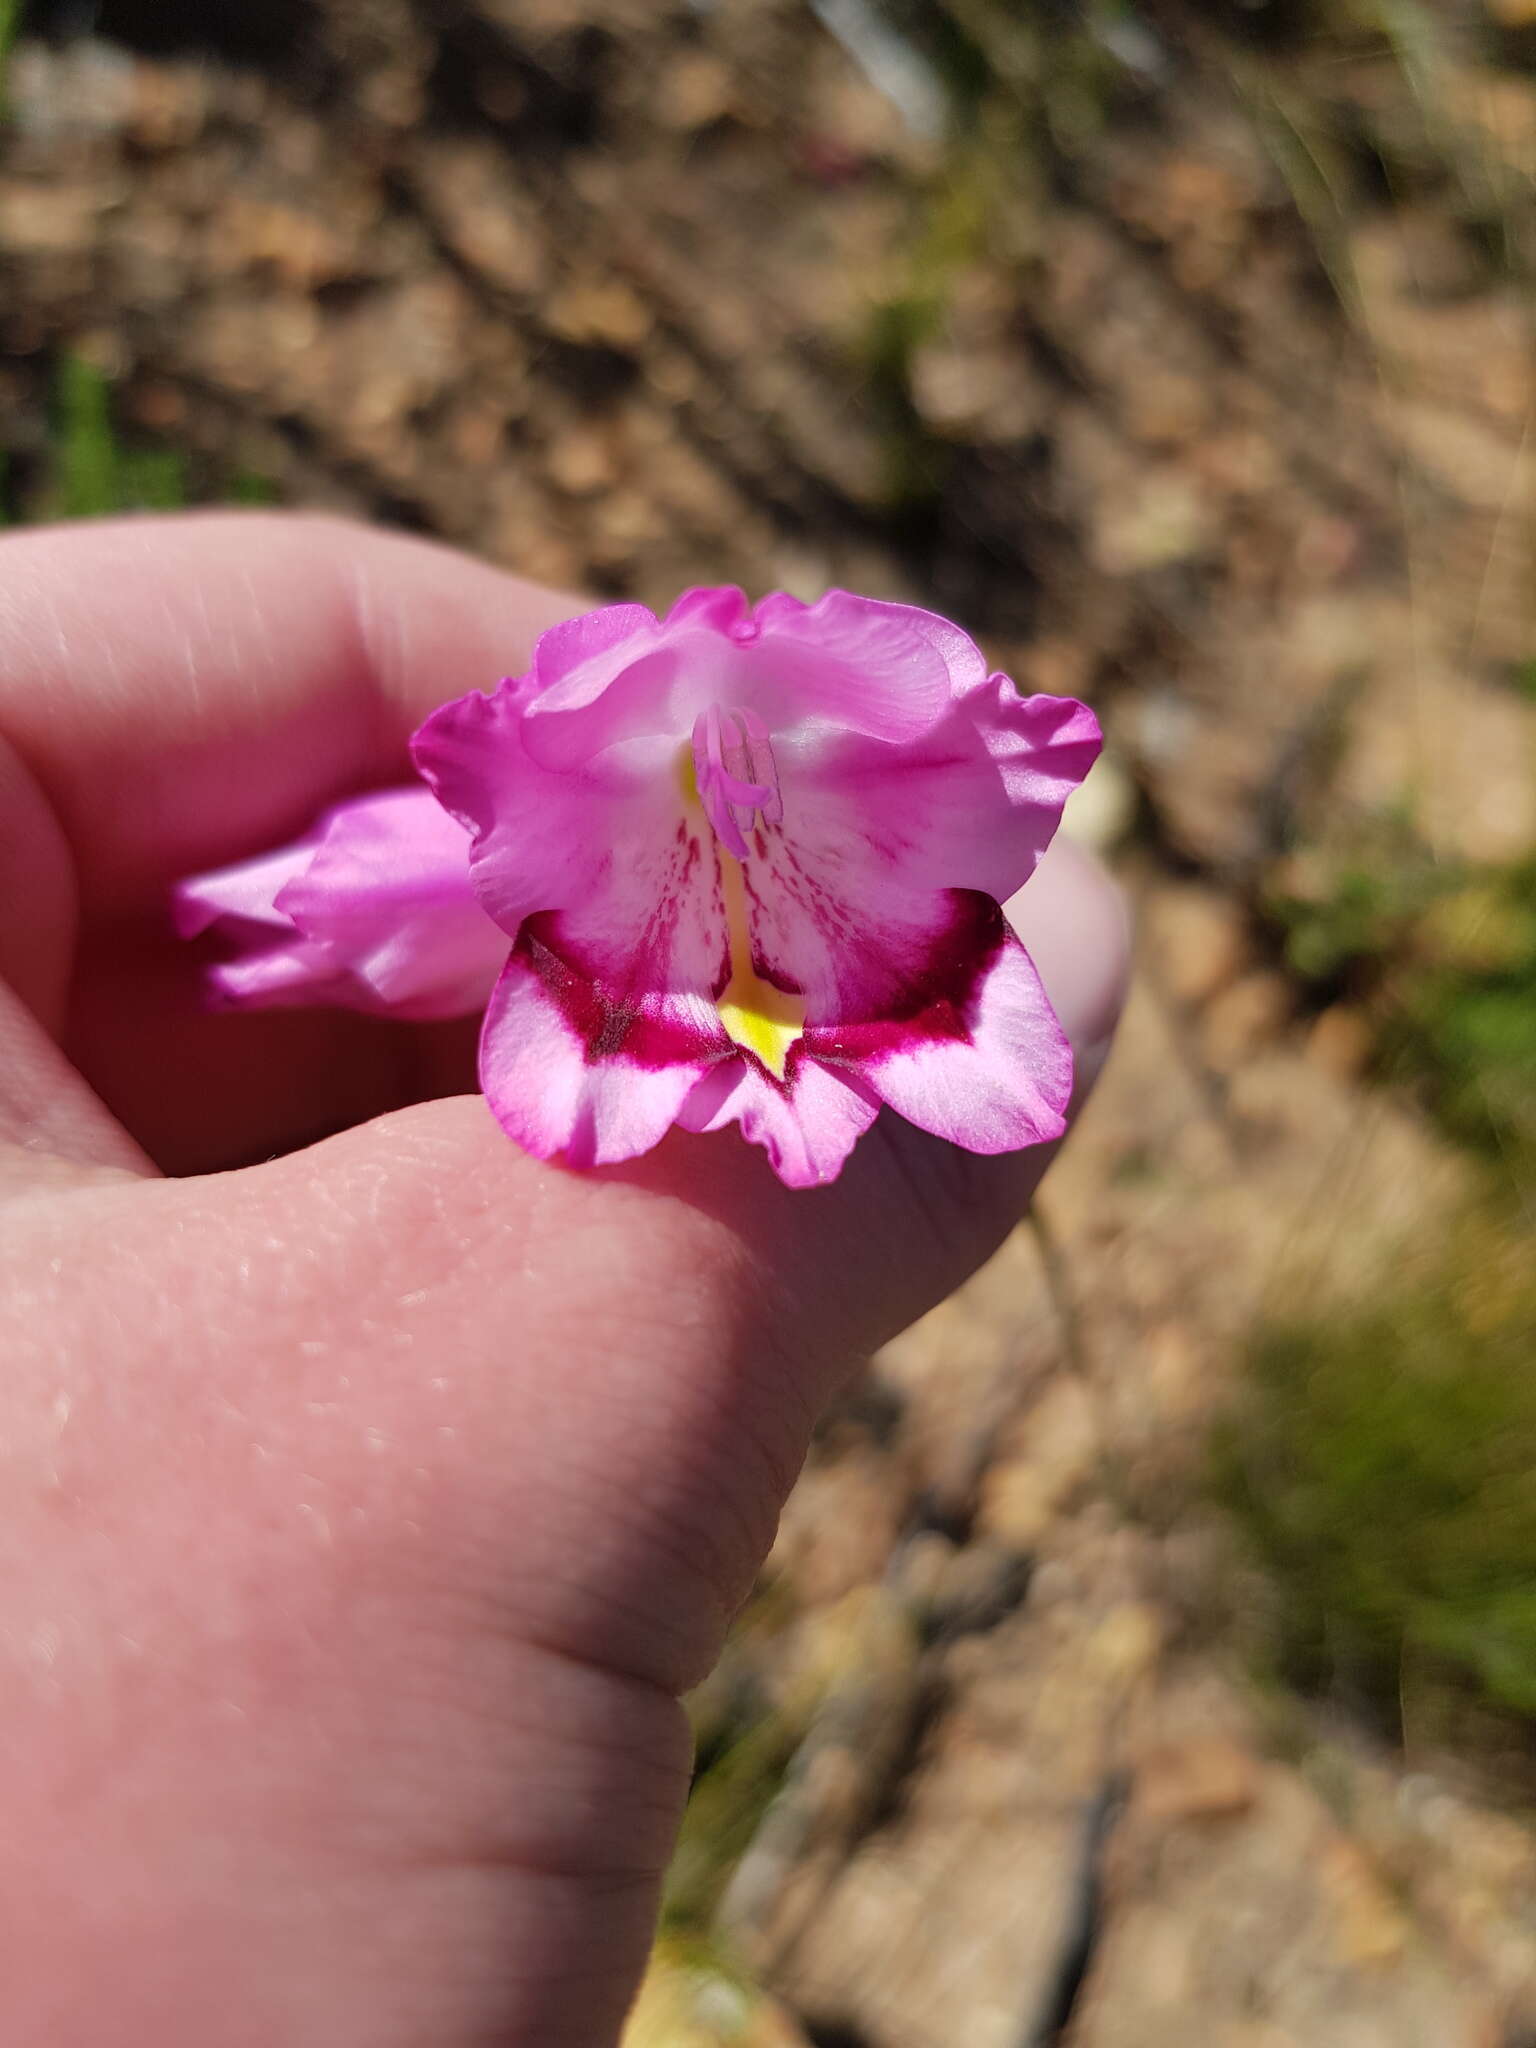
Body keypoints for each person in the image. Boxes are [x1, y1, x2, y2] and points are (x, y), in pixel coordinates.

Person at [0, 513, 1128, 2045]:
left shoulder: (864, 800)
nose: (730, 822)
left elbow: (996, 791)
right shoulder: (568, 828)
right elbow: (585, 1070)